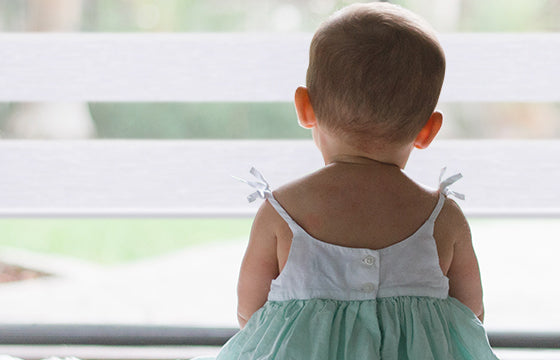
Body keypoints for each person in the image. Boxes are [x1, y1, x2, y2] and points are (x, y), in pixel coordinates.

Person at [198, 2, 498, 359]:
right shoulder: (442, 217)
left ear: (304, 107)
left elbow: (250, 315)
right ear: (427, 130)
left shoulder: (281, 213)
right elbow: (471, 316)